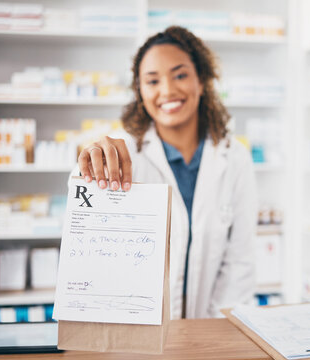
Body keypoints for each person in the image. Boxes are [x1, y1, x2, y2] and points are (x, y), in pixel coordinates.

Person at [77, 26, 257, 319]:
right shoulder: (123, 156)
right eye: (152, 81)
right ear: (140, 91)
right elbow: (89, 244)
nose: (168, 91)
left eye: (180, 75)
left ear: (202, 80)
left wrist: (212, 336)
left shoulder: (235, 158)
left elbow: (240, 264)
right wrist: (89, 163)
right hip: (136, 332)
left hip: (213, 334)